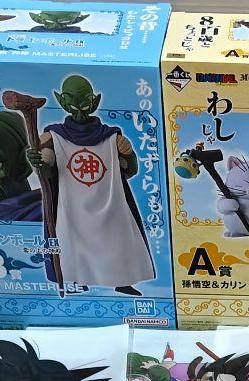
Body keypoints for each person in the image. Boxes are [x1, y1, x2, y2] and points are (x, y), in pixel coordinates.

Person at [26, 74, 155, 294]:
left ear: (95, 102)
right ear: (62, 102)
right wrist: (38, 161)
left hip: (110, 202)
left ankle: (123, 281)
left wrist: (129, 155)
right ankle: (77, 281)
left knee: (119, 240)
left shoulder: (111, 137)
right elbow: (47, 173)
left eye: (85, 105)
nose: (79, 111)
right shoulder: (54, 137)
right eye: (73, 105)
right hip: (71, 204)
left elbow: (129, 170)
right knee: (72, 244)